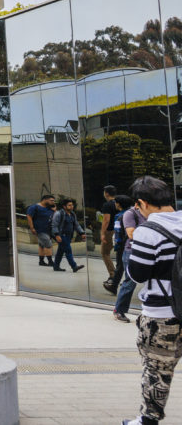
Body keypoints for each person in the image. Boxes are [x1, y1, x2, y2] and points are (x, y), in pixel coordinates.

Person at [122, 175, 182, 425]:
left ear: (142, 203)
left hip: (162, 314)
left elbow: (137, 274)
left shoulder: (148, 231)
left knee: (157, 370)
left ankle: (148, 421)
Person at [114, 196, 146, 323]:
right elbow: (131, 234)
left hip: (148, 250)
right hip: (131, 251)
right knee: (130, 281)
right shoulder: (130, 213)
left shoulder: (153, 213)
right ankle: (119, 310)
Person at [106, 194, 133, 296]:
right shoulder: (133, 213)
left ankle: (114, 286)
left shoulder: (119, 216)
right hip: (132, 243)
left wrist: (117, 245)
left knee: (120, 265)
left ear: (119, 204)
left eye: (116, 202)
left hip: (123, 244)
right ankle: (114, 285)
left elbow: (117, 232)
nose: (115, 204)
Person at [51, 198, 86, 273]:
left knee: (60, 252)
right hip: (62, 235)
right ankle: (74, 266)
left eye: (72, 205)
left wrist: (82, 233)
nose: (71, 206)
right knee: (68, 251)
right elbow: (54, 225)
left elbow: (76, 225)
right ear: (64, 206)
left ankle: (56, 266)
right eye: (69, 205)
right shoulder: (59, 213)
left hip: (69, 236)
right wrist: (57, 235)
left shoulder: (72, 214)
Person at [26, 194, 57, 267]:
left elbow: (55, 217)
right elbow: (29, 216)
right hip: (39, 229)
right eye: (51, 200)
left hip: (48, 229)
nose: (53, 202)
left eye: (53, 201)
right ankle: (50, 262)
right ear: (45, 199)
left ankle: (41, 261)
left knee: (42, 245)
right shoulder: (34, 207)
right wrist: (32, 228)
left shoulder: (49, 208)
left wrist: (55, 210)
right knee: (48, 244)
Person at [100, 184, 118, 287]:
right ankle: (117, 275)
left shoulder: (107, 205)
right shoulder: (119, 203)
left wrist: (102, 233)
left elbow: (106, 220)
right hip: (121, 231)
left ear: (106, 193)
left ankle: (113, 275)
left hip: (110, 231)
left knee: (105, 253)